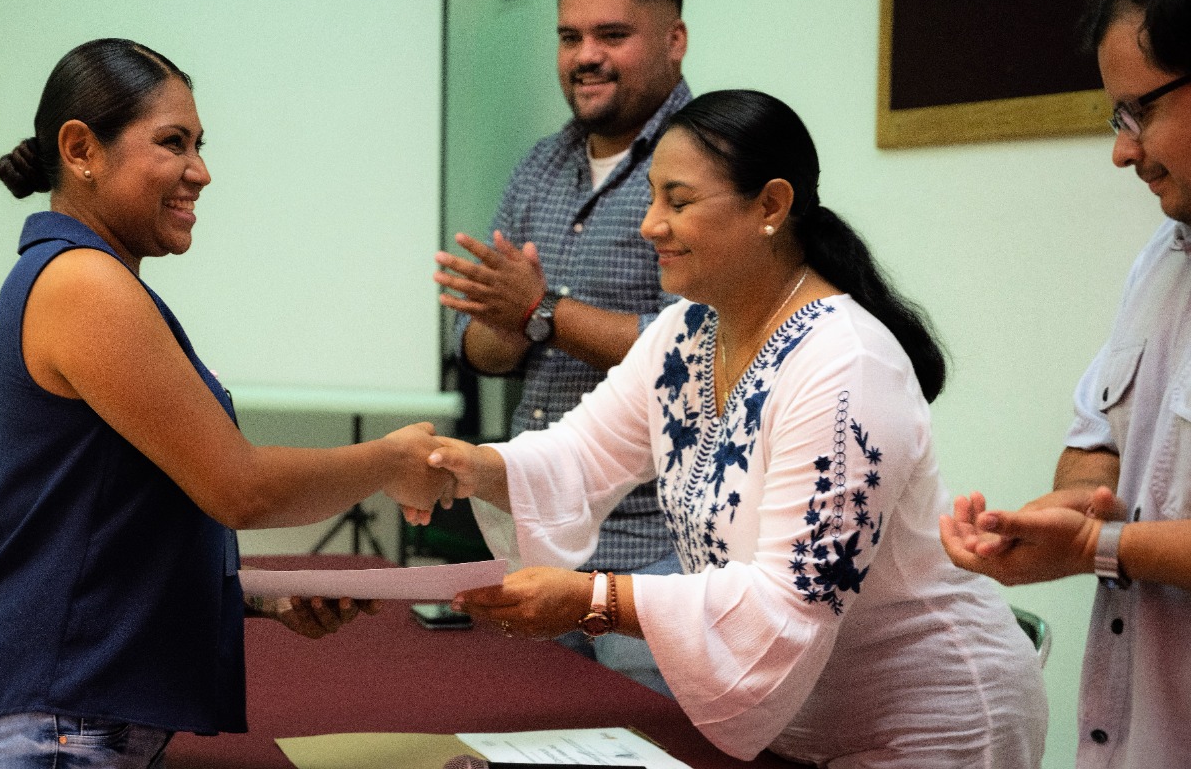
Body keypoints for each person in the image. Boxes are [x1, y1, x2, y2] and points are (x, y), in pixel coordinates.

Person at [431, 89, 1048, 765]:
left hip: (929, 724)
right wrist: (463, 467)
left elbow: (793, 594)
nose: (650, 225)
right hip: (797, 727)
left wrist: (595, 600)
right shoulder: (687, 332)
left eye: (678, 202)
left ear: (771, 206)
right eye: (651, 199)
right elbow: (579, 457)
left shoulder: (845, 363)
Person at [0, 38, 448, 768]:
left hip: (62, 720)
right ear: (80, 150)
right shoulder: (83, 284)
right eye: (172, 143)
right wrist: (391, 460)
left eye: (199, 145)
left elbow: (103, 525)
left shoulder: (83, 279)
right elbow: (241, 488)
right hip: (52, 726)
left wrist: (252, 597)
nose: (200, 171)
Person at [940, 0, 1191, 768]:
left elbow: (1108, 536)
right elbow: (1099, 446)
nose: (1123, 149)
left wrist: (1096, 547)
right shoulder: (1163, 260)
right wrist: (1052, 519)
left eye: (1138, 112)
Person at [433, 0, 689, 694]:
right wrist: (509, 322)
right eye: (570, 37)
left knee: (654, 743)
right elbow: (484, 351)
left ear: (674, 40)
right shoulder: (540, 166)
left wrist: (539, 309)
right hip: (539, 548)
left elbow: (697, 351)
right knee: (544, 736)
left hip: (656, 556)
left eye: (612, 35)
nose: (586, 57)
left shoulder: (706, 164)